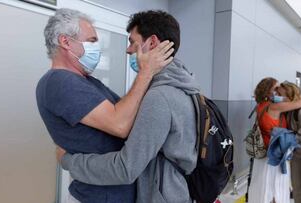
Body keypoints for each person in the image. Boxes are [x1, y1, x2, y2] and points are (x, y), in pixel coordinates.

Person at [57, 10, 200, 203]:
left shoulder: (160, 97)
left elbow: (125, 168)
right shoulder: (186, 87)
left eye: (133, 41)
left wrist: (68, 160)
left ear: (152, 43)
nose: (128, 49)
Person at [248, 77, 301, 203]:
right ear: (268, 91)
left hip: (262, 154)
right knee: (275, 190)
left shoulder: (260, 106)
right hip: (274, 155)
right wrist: (285, 98)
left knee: (262, 188)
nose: (277, 91)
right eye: (275, 88)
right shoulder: (274, 107)